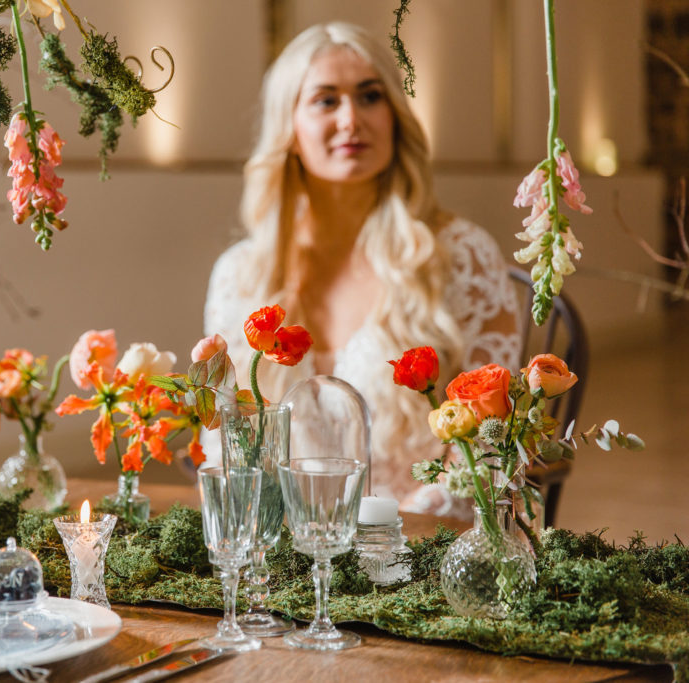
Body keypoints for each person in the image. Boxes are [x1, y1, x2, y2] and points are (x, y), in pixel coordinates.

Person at [202, 22, 519, 518]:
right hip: (287, 556)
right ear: (288, 128)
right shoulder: (239, 274)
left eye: (370, 96)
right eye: (326, 100)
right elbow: (227, 448)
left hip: (421, 549)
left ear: (394, 115)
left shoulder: (461, 257)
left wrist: (392, 530)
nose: (351, 119)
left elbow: (491, 445)